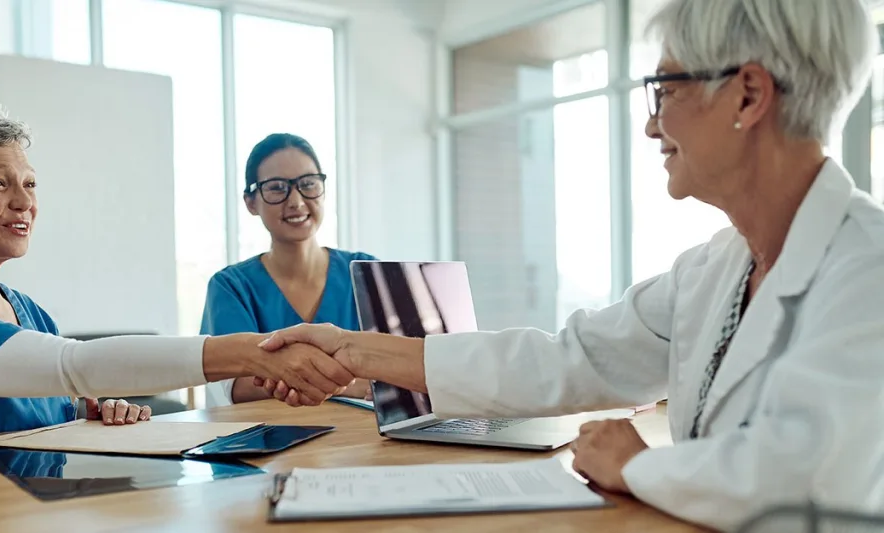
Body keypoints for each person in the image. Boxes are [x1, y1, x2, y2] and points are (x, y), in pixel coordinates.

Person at [254, 0, 884, 530]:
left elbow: (806, 477)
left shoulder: (868, 268)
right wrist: (353, 351)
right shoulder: (715, 269)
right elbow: (566, 358)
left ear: (747, 95)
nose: (649, 124)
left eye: (665, 89)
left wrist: (635, 463)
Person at [0, 110, 355, 444]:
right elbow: (75, 365)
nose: (24, 202)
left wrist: (96, 415)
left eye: (29, 184)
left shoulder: (29, 312)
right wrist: (251, 352)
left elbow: (57, 409)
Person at [201, 133, 375, 406]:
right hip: (269, 437)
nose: (296, 201)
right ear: (250, 202)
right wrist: (349, 381)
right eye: (277, 188)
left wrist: (282, 373)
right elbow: (235, 385)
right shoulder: (231, 287)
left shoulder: (366, 272)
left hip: (364, 439)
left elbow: (398, 366)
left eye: (308, 184)